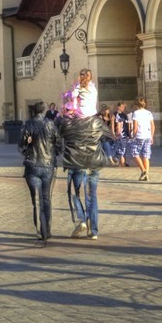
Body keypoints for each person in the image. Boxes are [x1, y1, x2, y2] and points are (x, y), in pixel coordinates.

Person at [61, 69, 103, 239]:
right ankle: (94, 231)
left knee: (76, 192)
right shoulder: (93, 92)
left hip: (78, 160)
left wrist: (69, 105)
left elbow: (69, 106)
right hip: (94, 160)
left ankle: (82, 219)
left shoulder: (73, 122)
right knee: (92, 195)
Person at [19, 108, 60, 243]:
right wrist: (54, 152)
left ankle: (39, 231)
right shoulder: (51, 124)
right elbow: (59, 143)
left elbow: (21, 144)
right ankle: (47, 230)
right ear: (44, 111)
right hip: (48, 166)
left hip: (32, 165)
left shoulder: (29, 124)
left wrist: (28, 143)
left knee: (36, 200)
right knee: (46, 198)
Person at [130, 98, 155, 181]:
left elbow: (135, 126)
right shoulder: (149, 113)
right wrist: (151, 136)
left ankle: (143, 170)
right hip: (147, 136)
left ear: (136, 105)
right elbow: (152, 126)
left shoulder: (136, 113)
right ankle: (146, 175)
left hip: (139, 136)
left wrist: (133, 135)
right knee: (146, 155)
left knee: (134, 153)